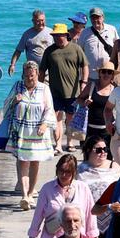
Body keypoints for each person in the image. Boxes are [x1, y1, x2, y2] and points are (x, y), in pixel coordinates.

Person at [3, 61, 58, 208]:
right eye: (27, 76)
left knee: (34, 162)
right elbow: (6, 105)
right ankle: (25, 196)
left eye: (32, 76)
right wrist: (15, 100)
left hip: (37, 131)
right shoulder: (17, 86)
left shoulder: (44, 88)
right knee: (22, 162)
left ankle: (31, 192)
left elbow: (49, 109)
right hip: (20, 131)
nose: (29, 79)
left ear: (37, 74)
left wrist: (45, 124)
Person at [24, 154, 94, 238]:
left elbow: (90, 217)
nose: (64, 175)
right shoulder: (47, 188)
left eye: (68, 172)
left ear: (74, 172)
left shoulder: (83, 188)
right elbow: (37, 216)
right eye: (61, 171)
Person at [42, 23, 88, 152]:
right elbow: (41, 71)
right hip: (55, 92)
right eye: (55, 35)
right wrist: (40, 88)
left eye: (60, 35)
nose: (57, 38)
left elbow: (85, 65)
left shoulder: (76, 49)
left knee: (70, 119)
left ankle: (69, 142)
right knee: (56, 118)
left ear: (66, 35)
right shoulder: (49, 51)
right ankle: (57, 145)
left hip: (72, 92)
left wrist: (83, 82)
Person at [77, 134, 120, 238]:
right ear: (88, 150)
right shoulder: (79, 169)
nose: (103, 153)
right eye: (98, 150)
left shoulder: (114, 166)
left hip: (111, 216)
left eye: (105, 149)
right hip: (88, 215)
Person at [10, 10, 55, 76]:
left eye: (42, 20)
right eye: (38, 21)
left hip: (47, 72)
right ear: (33, 21)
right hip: (30, 72)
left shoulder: (51, 32)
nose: (41, 23)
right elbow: (18, 51)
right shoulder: (27, 34)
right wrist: (12, 65)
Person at [79, 9, 116, 83]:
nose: (95, 20)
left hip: (108, 74)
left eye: (98, 17)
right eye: (93, 18)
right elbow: (79, 53)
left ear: (103, 17)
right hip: (91, 76)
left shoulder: (111, 30)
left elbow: (117, 48)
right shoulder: (85, 33)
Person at [85, 60, 116, 145]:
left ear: (112, 75)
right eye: (104, 71)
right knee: (89, 155)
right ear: (99, 73)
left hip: (108, 129)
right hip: (91, 128)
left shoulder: (116, 90)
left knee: (108, 156)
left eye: (109, 72)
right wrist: (85, 102)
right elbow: (79, 100)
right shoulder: (91, 86)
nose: (106, 74)